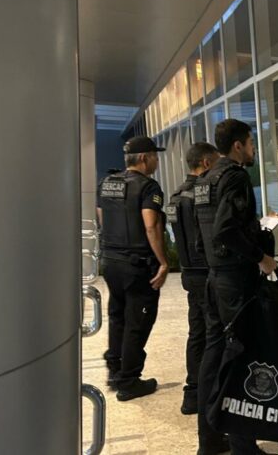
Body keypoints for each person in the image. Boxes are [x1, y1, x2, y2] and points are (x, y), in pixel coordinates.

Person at [194, 119, 276, 455]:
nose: (254, 149)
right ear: (239, 145)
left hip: (215, 279)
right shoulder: (235, 176)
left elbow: (204, 234)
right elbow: (225, 229)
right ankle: (244, 446)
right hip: (234, 282)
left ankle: (210, 439)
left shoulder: (206, 179)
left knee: (214, 357)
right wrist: (261, 257)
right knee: (240, 357)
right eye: (251, 143)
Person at [97, 135, 169, 401]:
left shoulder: (107, 183)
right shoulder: (148, 187)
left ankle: (115, 370)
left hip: (111, 261)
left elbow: (102, 217)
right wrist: (163, 262)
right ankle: (129, 381)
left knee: (118, 316)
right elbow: (151, 225)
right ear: (143, 158)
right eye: (155, 157)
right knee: (137, 322)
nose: (157, 162)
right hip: (136, 264)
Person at [166, 142, 221, 415]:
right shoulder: (203, 194)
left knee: (197, 332)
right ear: (206, 163)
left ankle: (193, 392)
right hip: (207, 273)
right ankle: (210, 393)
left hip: (188, 272)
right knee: (214, 334)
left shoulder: (176, 195)